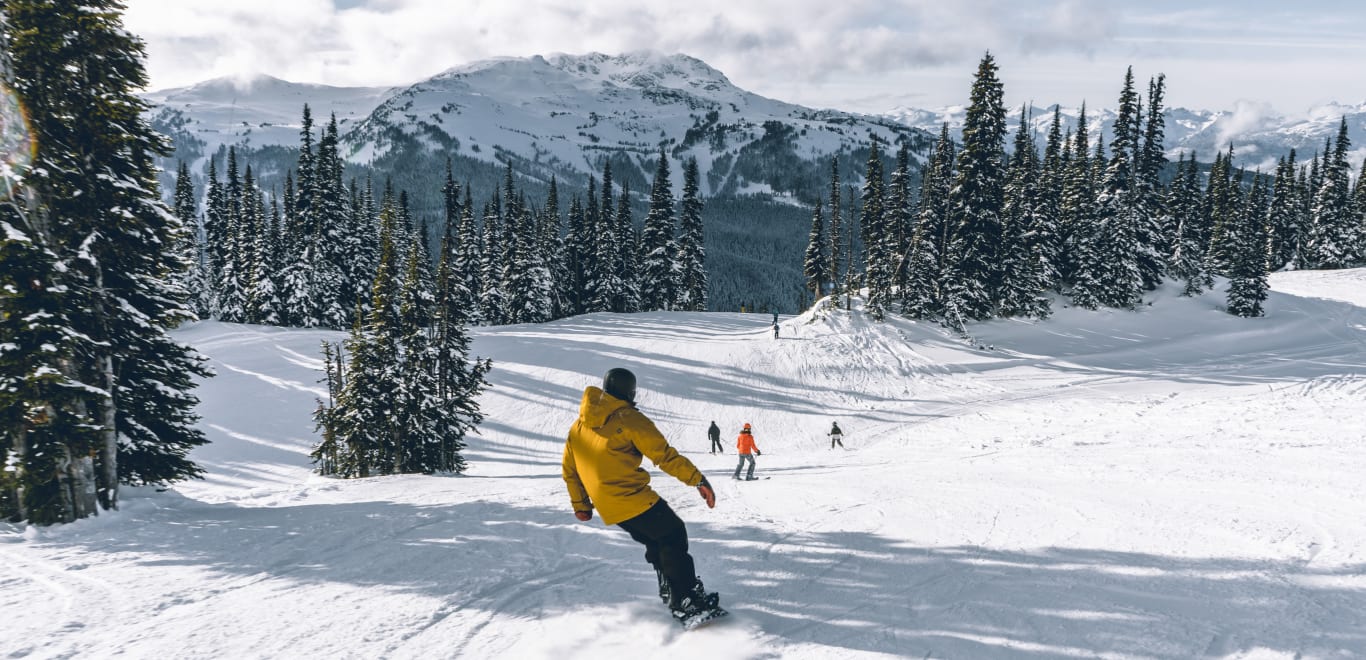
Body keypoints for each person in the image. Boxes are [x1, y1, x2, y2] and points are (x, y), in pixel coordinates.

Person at [562, 367, 720, 622]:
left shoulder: (578, 425)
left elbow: (570, 470)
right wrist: (698, 480)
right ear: (630, 391)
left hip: (609, 506)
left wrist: (582, 505)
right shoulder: (629, 418)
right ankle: (685, 598)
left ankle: (671, 588)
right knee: (673, 533)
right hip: (630, 496)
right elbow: (665, 456)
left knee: (656, 539)